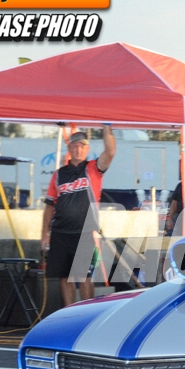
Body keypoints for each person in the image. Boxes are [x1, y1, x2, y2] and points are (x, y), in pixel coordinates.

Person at [42, 127, 116, 307]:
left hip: (84, 232)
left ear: (87, 149)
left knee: (84, 275)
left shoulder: (93, 168)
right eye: (75, 146)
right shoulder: (59, 174)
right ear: (70, 148)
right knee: (64, 276)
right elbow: (49, 205)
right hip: (60, 232)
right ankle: (69, 312)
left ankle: (87, 311)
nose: (78, 149)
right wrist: (44, 233)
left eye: (82, 146)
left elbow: (110, 152)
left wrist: (106, 127)